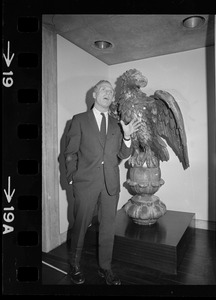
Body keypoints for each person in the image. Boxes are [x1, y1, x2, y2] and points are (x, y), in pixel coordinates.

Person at [64, 80, 141, 285]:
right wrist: (72, 178)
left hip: (110, 185)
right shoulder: (79, 120)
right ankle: (74, 265)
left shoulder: (118, 123)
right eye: (104, 89)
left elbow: (122, 155)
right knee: (80, 226)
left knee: (108, 228)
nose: (109, 92)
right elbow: (70, 154)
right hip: (85, 184)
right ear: (94, 94)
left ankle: (105, 268)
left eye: (111, 91)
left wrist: (127, 137)